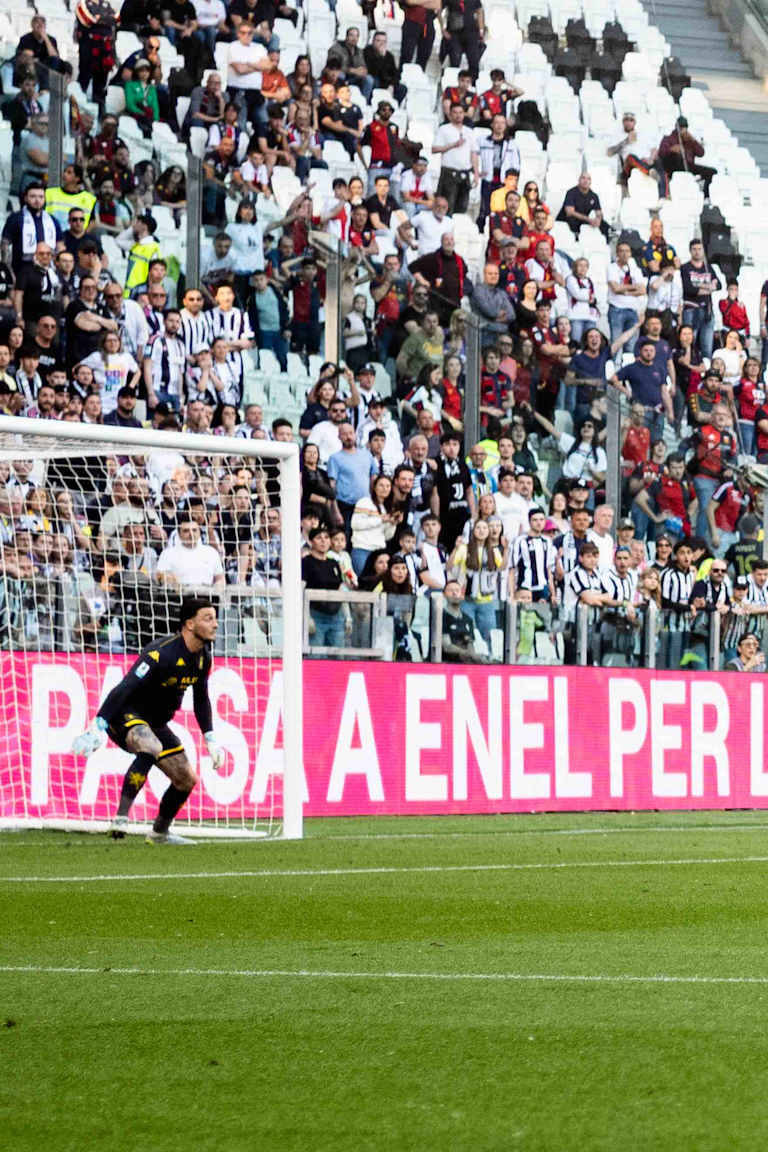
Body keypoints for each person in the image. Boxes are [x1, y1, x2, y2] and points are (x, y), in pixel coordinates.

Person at [71, 597, 225, 845]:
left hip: (155, 722)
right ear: (189, 624)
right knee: (152, 746)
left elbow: (201, 699)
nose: (215, 624)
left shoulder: (203, 658)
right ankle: (120, 818)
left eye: (215, 618)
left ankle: (159, 834)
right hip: (125, 715)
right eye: (208, 618)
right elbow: (126, 686)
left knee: (187, 779)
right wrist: (98, 724)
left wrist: (210, 739)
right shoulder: (160, 652)